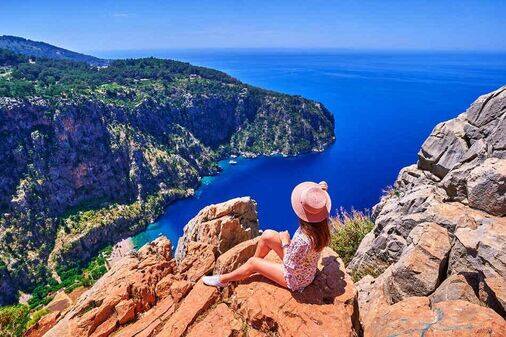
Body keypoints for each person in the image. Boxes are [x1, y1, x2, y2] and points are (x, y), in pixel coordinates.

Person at [202, 181, 331, 292]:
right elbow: (318, 203)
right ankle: (252, 268)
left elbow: (290, 267)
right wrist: (320, 190)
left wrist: (286, 242)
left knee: (253, 262)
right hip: (305, 268)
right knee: (267, 235)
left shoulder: (303, 239)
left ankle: (224, 280)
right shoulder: (320, 224)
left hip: (296, 279)